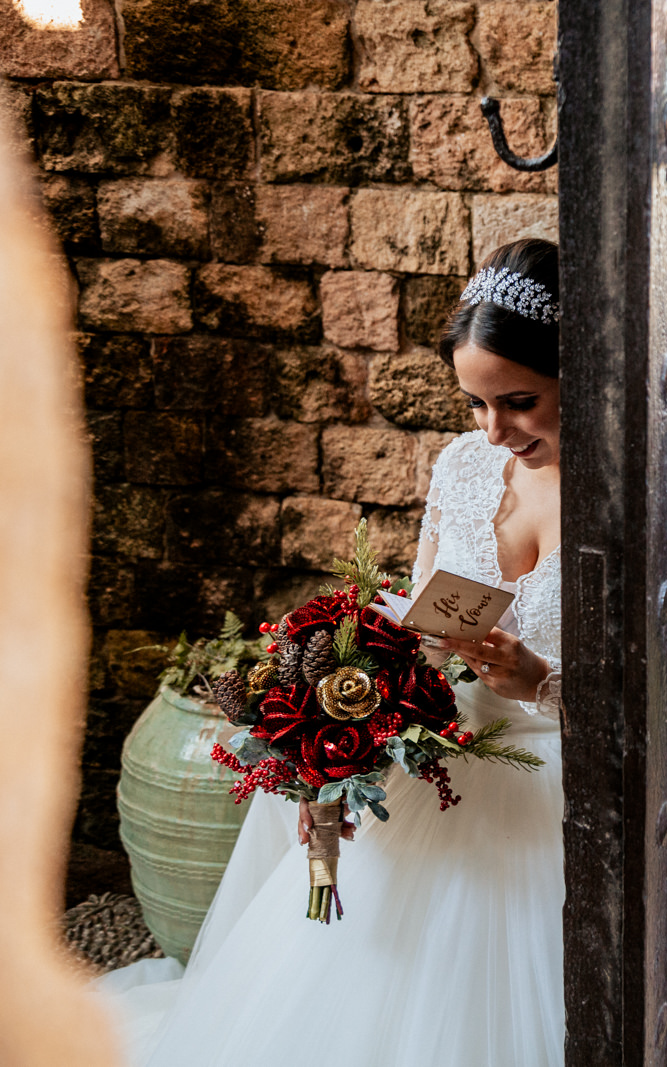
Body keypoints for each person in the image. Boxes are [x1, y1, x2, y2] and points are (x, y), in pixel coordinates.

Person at [97, 238, 567, 1067]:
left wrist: (543, 681)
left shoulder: (634, 490)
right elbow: (418, 608)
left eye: (519, 402)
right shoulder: (464, 466)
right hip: (446, 748)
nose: (494, 431)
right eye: (474, 405)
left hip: (560, 776)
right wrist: (374, 674)